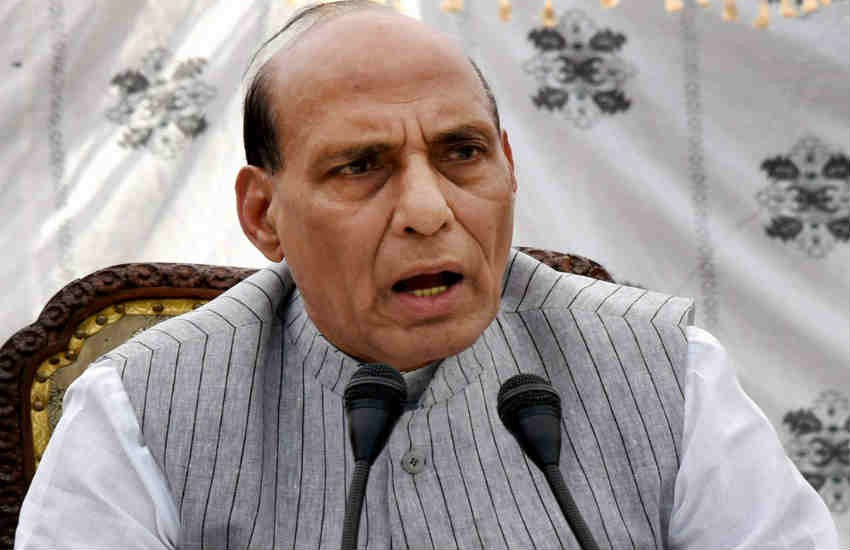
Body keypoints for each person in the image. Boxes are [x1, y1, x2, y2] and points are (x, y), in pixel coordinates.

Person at [15, 1, 838, 548]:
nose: (426, 209)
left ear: (508, 166)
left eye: (462, 153)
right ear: (264, 214)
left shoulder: (665, 371)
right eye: (361, 165)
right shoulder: (141, 410)